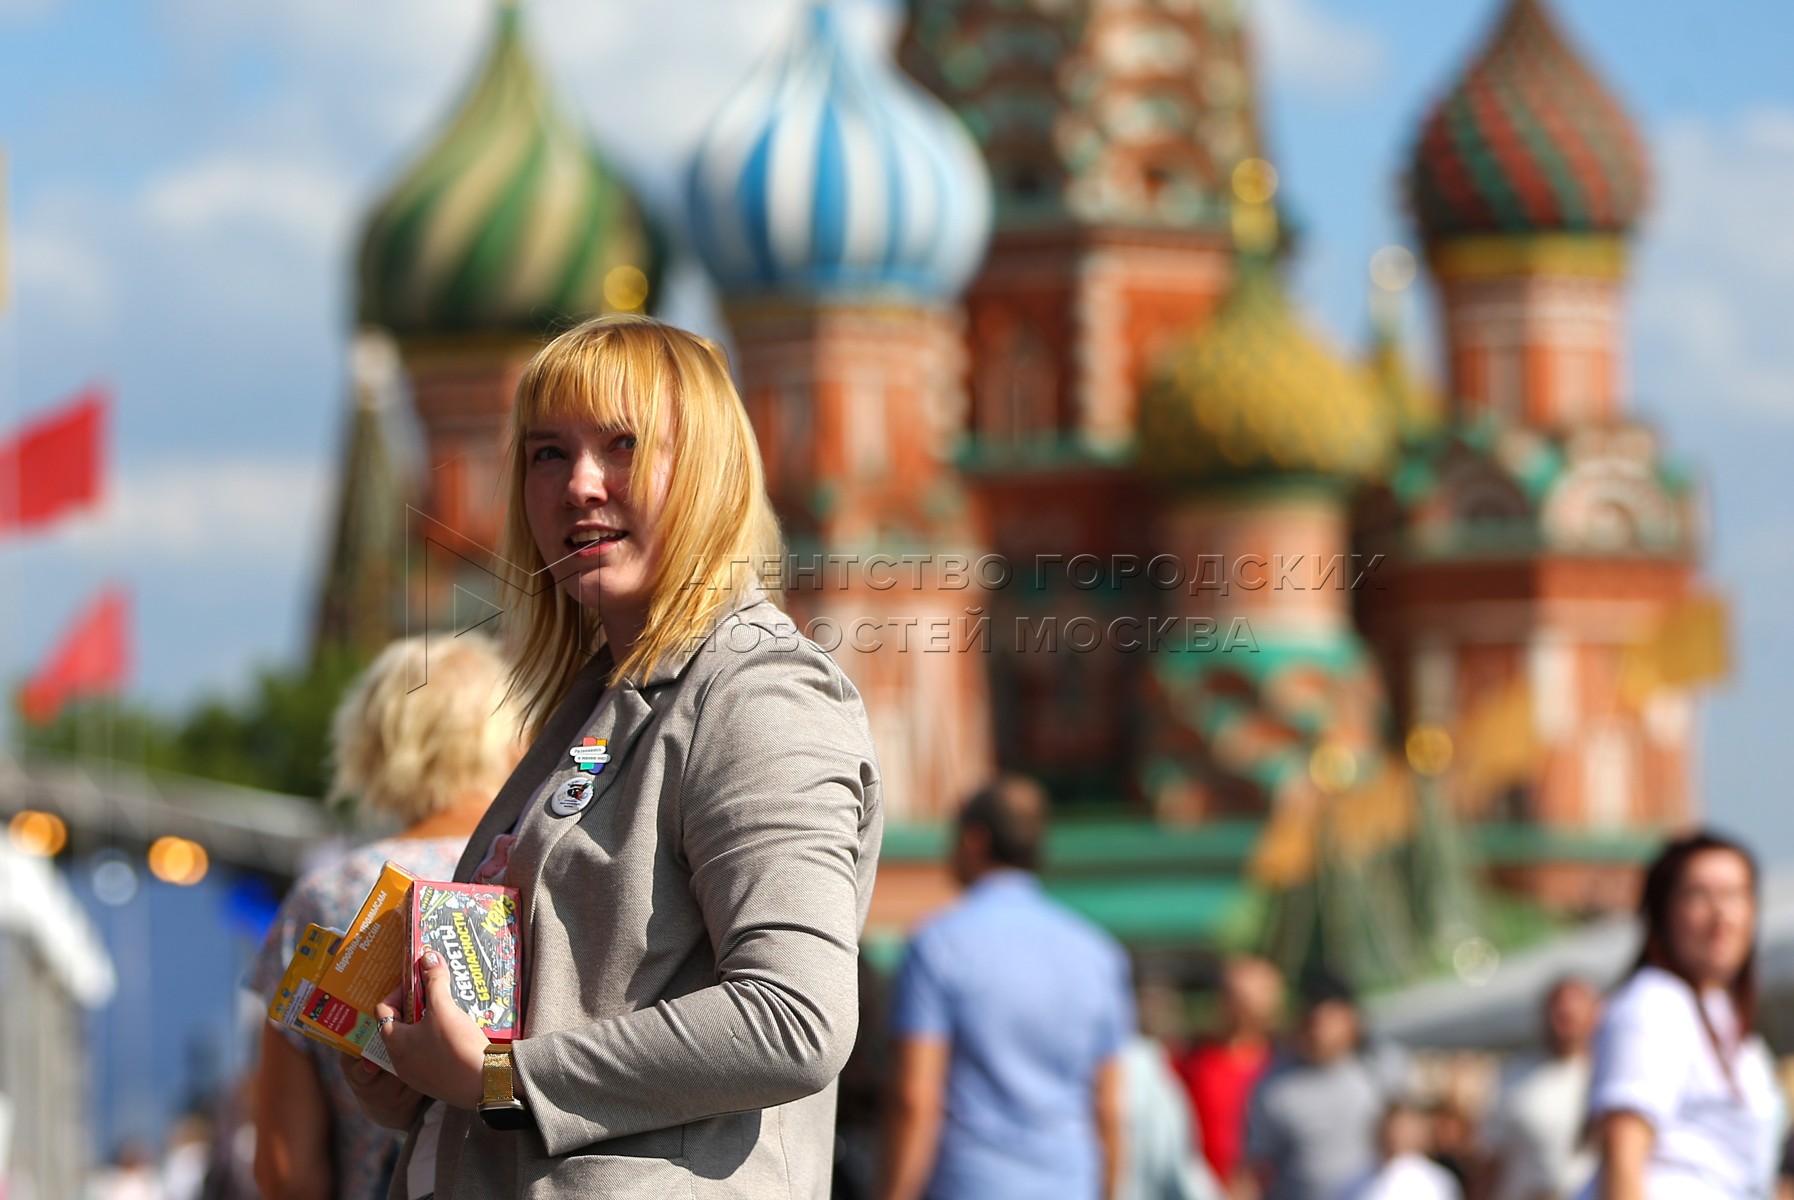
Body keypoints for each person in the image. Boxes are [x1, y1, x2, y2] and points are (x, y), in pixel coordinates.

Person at [343, 314, 885, 1199]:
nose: (579, 486)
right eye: (547, 453)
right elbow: (570, 1017)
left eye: (623, 445)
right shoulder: (597, 699)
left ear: (708, 471)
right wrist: (419, 1081)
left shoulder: (760, 695)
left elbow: (796, 1019)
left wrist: (497, 1078)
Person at [246, 633, 524, 1200]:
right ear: (509, 737)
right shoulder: (537, 871)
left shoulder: (326, 898)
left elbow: (286, 1169)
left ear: (372, 747)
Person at [879, 776, 1132, 1200]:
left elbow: (915, 1098)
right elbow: (1109, 1108)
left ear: (975, 842)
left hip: (973, 1181)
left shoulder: (937, 945)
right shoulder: (1099, 954)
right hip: (1071, 1182)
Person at [1583, 831, 1784, 1200]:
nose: (1720, 914)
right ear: (1662, 911)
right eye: (1698, 895)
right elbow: (1623, 1157)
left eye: (1734, 894)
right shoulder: (1654, 1004)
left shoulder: (1723, 1016)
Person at [1240, 972, 1406, 1200]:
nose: (1318, 1032)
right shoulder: (1272, 1089)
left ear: (1351, 1020)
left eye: (1327, 1020)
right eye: (1310, 1021)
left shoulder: (1381, 1069)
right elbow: (1254, 1170)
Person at [1478, 978, 1601, 1200]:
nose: (1564, 1023)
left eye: (1572, 1015)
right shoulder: (1515, 1077)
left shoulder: (1611, 1069)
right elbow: (1492, 1159)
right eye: (1559, 1014)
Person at [1176, 956, 1284, 1192]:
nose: (1241, 1008)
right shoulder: (1192, 1060)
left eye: (1251, 997)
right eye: (1233, 995)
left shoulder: (1283, 1064)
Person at [1121, 974, 1225, 1200]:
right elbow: (1173, 1158)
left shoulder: (1168, 1065)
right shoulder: (1141, 1066)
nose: (1159, 1012)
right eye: (1151, 1004)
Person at [1338, 1101, 1462, 1200]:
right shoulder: (1354, 1181)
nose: (1394, 1137)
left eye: (1402, 1130)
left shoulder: (1437, 1182)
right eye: (1391, 1129)